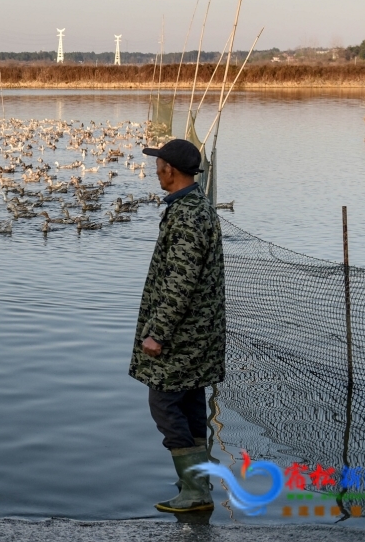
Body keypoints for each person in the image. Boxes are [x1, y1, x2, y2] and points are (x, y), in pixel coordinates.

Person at [131, 138, 226, 513]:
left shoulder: (188, 215)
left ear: (170, 169)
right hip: (199, 332)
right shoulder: (195, 206)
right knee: (189, 401)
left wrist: (157, 333)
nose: (155, 169)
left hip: (184, 335)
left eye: (158, 164)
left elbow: (180, 281)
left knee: (165, 402)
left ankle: (195, 490)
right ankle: (197, 482)